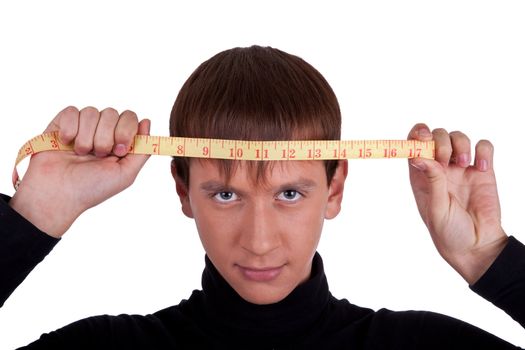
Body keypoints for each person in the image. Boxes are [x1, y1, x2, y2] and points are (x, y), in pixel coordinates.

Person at [0, 45, 523, 349]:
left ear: (335, 187)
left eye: (290, 192)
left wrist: (489, 258)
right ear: (182, 191)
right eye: (225, 193)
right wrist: (33, 215)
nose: (258, 240)